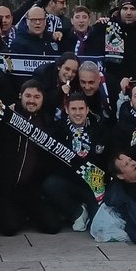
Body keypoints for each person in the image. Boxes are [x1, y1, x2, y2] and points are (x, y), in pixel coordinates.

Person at [0, 80, 67, 235]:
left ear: (43, 99)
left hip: (31, 188)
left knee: (52, 227)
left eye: (37, 97)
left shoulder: (47, 121)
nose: (32, 100)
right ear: (20, 96)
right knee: (9, 228)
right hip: (5, 186)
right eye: (28, 95)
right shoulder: (7, 115)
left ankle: (26, 213)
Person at [43, 92, 107, 231]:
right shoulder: (57, 130)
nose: (78, 113)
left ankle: (89, 210)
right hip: (69, 183)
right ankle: (77, 212)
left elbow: (104, 158)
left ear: (87, 110)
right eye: (73, 109)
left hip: (93, 187)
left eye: (81, 109)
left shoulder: (99, 128)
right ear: (66, 110)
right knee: (50, 184)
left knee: (98, 226)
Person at [83, 0, 136, 94]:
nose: (128, 12)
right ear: (119, 10)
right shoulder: (106, 27)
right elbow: (87, 43)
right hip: (112, 86)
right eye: (125, 8)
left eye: (132, 9)